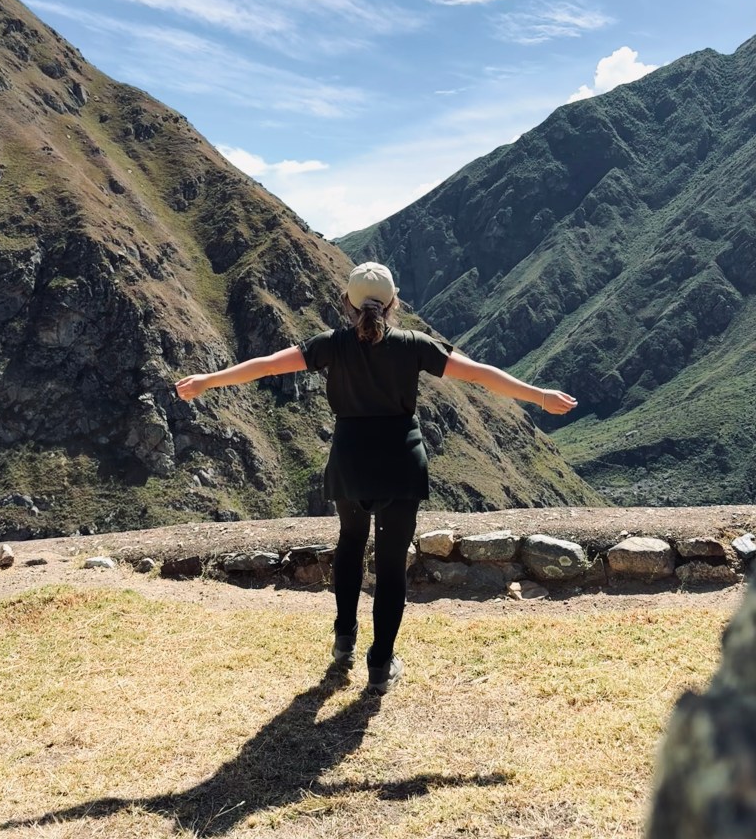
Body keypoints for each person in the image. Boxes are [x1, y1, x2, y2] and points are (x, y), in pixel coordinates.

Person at [175, 262, 576, 695]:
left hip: (350, 461)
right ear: (393, 303)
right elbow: (478, 372)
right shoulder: (413, 345)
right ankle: (380, 665)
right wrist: (539, 396)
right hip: (399, 464)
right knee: (390, 564)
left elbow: (269, 366)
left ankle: (344, 640)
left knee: (349, 544)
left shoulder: (330, 345)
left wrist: (208, 381)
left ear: (346, 303)